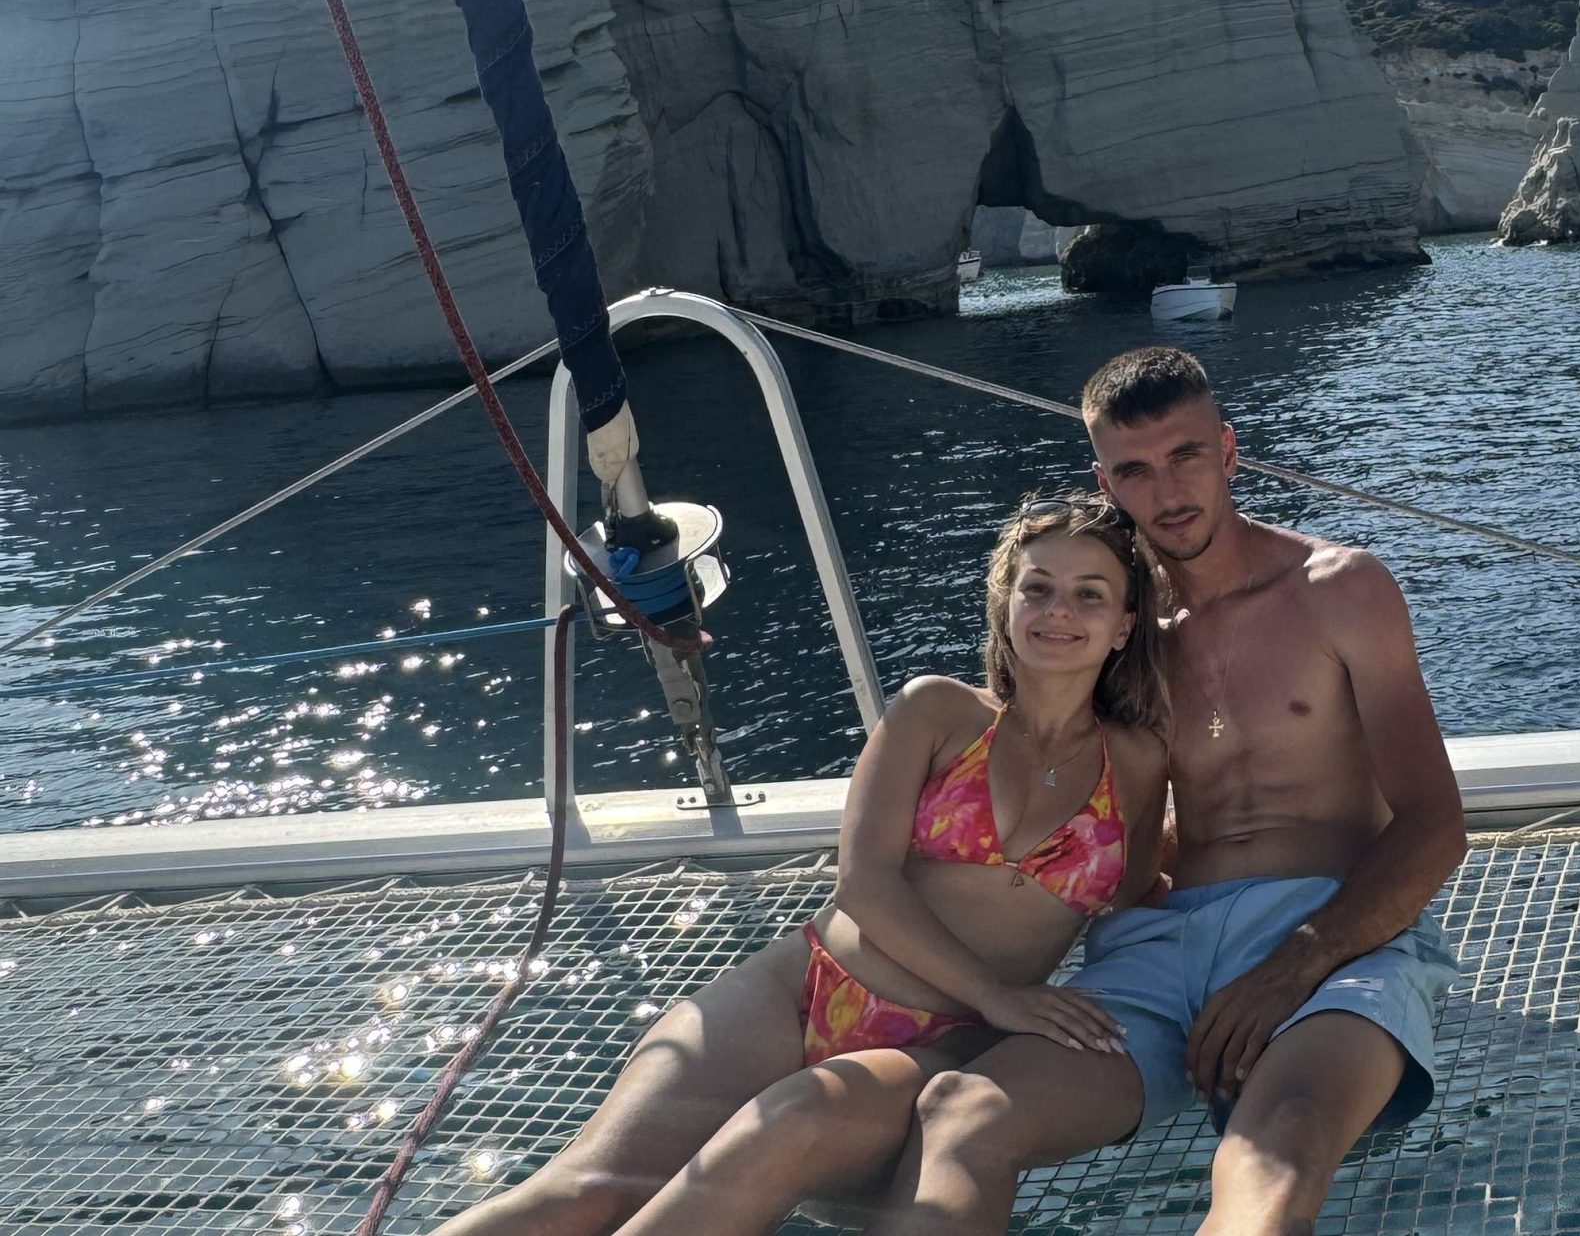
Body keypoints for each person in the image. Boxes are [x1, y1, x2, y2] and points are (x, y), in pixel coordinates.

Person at [433, 494, 1170, 1236]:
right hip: (801, 988)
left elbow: (1138, 896)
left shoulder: (1136, 764)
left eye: (1089, 595)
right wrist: (999, 994)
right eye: (1037, 586)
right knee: (589, 1188)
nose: (1057, 610)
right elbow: (863, 882)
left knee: (761, 1147)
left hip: (943, 1044)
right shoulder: (938, 713)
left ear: (1123, 626)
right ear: (1005, 598)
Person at [868, 347, 1467, 1236]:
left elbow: (1435, 825)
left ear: (1228, 451)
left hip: (1328, 931)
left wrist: (1293, 964)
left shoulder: (1340, 591)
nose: (1168, 489)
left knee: (1277, 1145)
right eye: (1135, 470)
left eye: (1186, 455)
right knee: (961, 1115)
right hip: (1161, 943)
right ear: (1105, 482)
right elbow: (1042, 775)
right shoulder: (1114, 633)